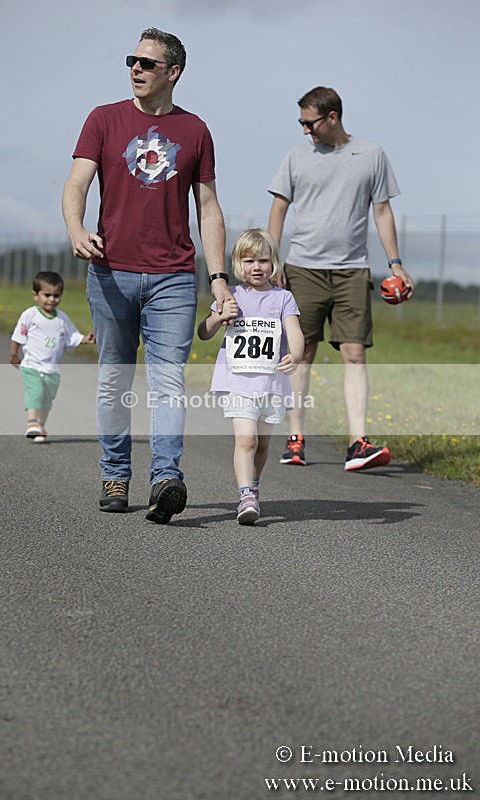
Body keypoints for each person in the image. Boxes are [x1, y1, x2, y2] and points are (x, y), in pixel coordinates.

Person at [62, 27, 232, 522]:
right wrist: (76, 228)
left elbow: (209, 210)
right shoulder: (103, 119)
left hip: (174, 277)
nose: (135, 68)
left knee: (168, 382)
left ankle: (166, 478)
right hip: (110, 274)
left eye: (146, 62)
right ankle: (115, 471)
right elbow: (76, 183)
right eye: (130, 60)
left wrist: (218, 277)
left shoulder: (195, 130)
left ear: (172, 72)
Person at [267, 86, 414, 471]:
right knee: (302, 353)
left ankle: (357, 444)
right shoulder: (296, 157)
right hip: (303, 268)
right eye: (300, 122)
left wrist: (395, 263)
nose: (304, 130)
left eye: (308, 122)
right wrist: (273, 259)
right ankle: (295, 440)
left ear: (332, 117)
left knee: (354, 353)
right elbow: (279, 209)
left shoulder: (371, 154)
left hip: (352, 269)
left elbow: (382, 212)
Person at [198, 229, 303, 524]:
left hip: (271, 383)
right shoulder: (230, 296)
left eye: (263, 260)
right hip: (238, 382)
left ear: (274, 264)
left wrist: (294, 355)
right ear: (237, 264)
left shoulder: (283, 298)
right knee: (246, 440)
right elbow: (204, 333)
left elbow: (295, 332)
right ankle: (245, 495)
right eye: (249, 261)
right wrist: (219, 316)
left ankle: (253, 485)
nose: (256, 267)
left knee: (263, 444)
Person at [10, 271, 95, 443]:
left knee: (47, 399)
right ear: (35, 295)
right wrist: (14, 354)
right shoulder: (30, 315)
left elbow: (72, 337)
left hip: (52, 369)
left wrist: (85, 339)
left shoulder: (62, 318)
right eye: (47, 295)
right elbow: (18, 335)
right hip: (32, 365)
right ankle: (32, 422)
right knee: (36, 392)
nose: (51, 299)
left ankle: (40, 427)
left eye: (56, 296)